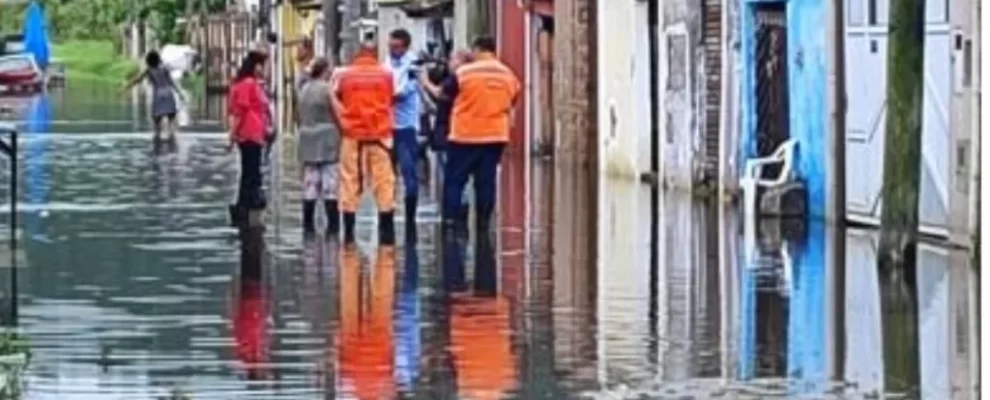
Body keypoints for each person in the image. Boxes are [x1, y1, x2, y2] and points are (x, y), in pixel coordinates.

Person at [443, 36, 520, 239]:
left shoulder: (464, 73)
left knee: (455, 181)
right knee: (486, 181)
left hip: (464, 136)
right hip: (495, 136)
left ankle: (452, 222)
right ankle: (483, 224)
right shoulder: (508, 75)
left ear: (477, 50)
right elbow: (513, 98)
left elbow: (446, 94)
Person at [331, 41, 397, 244]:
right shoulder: (386, 75)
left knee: (349, 181)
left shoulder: (346, 76)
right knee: (384, 182)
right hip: (380, 137)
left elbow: (337, 99)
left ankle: (349, 231)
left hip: (353, 135)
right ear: (375, 54)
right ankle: (386, 230)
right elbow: (390, 99)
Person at [419, 50, 473, 226]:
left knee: (451, 175)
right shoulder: (466, 80)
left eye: (452, 59)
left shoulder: (456, 80)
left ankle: (454, 214)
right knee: (458, 175)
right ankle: (459, 211)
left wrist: (425, 82)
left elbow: (440, 94)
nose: (449, 62)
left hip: (450, 134)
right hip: (458, 132)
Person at [296, 57, 341, 235]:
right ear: (325, 71)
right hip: (327, 139)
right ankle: (333, 227)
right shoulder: (327, 89)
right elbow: (337, 112)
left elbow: (298, 116)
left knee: (310, 184)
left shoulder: (303, 89)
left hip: (307, 138)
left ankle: (307, 225)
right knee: (330, 184)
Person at [226, 51, 271, 227]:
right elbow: (240, 112)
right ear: (256, 66)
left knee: (249, 172)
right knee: (251, 173)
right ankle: (248, 207)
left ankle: (245, 208)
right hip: (250, 134)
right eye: (263, 65)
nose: (265, 69)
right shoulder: (249, 84)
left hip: (252, 134)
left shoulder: (246, 84)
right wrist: (232, 136)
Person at [386, 29, 423, 234]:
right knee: (387, 175)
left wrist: (383, 95)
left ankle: (410, 219)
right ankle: (387, 214)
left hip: (407, 127)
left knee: (409, 172)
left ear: (406, 46)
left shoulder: (413, 64)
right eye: (390, 46)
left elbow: (405, 91)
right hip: (388, 126)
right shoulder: (386, 63)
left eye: (396, 47)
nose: (392, 50)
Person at [122, 50, 186, 142]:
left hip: (158, 96)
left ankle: (157, 140)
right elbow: (172, 82)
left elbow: (137, 79)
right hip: (169, 94)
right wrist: (180, 93)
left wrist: (126, 87)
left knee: (157, 123)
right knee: (171, 121)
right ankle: (172, 140)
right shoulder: (165, 68)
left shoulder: (149, 70)